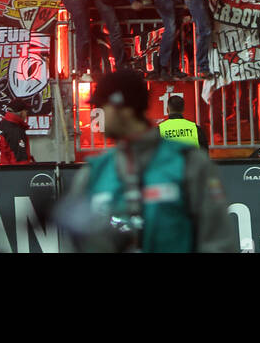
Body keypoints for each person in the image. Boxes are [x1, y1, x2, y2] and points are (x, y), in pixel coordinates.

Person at [56, 70, 236, 253]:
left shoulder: (190, 164)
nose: (97, 114)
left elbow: (218, 243)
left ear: (121, 107)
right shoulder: (93, 173)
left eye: (101, 106)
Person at [0, 98, 33, 165]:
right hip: (10, 172)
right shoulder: (15, 130)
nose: (26, 115)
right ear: (22, 112)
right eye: (26, 112)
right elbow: (20, 160)